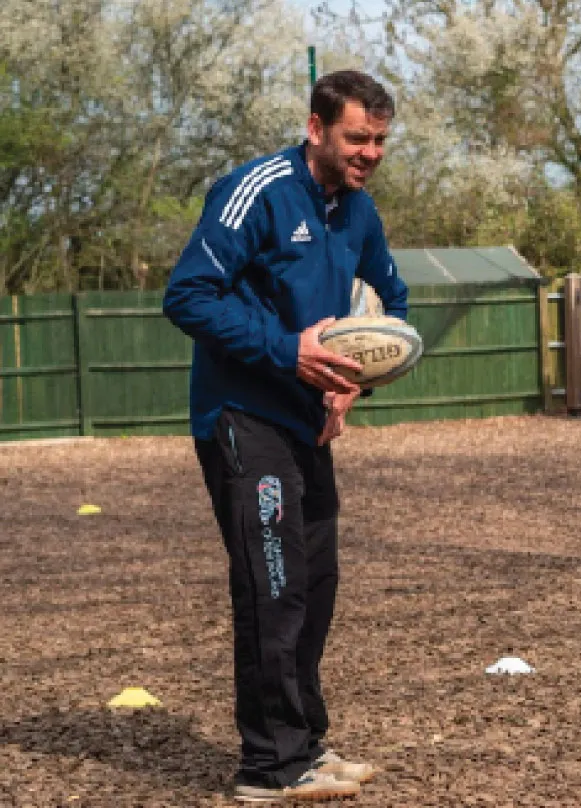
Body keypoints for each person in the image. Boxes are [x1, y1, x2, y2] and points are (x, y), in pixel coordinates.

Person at [163, 70, 408, 802]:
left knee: (313, 586)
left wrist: (355, 383)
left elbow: (392, 302)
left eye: (380, 141)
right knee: (272, 586)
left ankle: (303, 744)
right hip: (243, 416)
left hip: (309, 423)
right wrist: (287, 351)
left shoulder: (359, 211)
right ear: (316, 128)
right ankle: (269, 766)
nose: (370, 153)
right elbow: (187, 295)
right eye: (357, 138)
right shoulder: (256, 191)